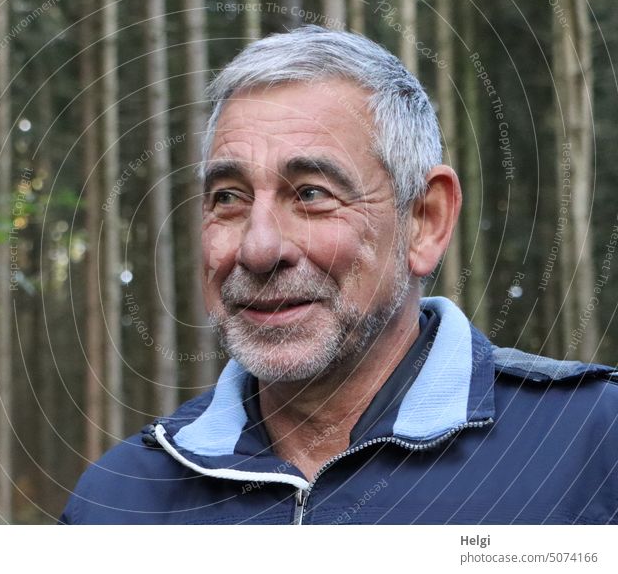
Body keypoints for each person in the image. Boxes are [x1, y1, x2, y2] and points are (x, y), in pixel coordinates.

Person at [59, 26, 618, 525]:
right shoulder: (122, 501)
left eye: (311, 194)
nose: (258, 250)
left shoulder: (592, 446)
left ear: (425, 220)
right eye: (228, 198)